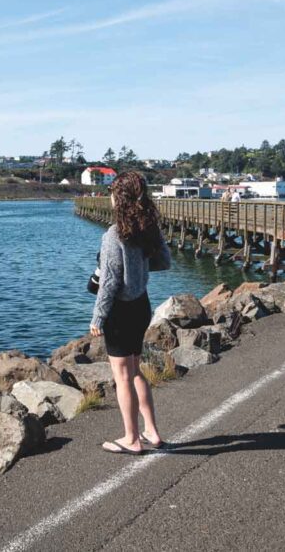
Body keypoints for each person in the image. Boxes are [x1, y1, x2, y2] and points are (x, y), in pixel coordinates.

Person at [89, 171, 171, 455]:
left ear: (119, 197)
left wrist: (98, 316)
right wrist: (139, 269)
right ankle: (152, 431)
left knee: (122, 376)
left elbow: (109, 281)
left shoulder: (114, 234)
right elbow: (164, 261)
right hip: (142, 305)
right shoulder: (148, 228)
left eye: (112, 191)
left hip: (120, 312)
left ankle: (131, 439)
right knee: (135, 372)